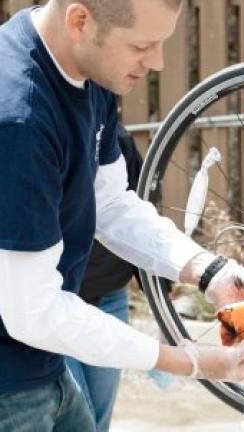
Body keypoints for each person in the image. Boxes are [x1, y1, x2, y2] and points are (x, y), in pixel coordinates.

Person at [0, 0, 244, 430]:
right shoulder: (20, 118)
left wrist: (208, 271)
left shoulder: (89, 69)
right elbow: (32, 311)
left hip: (43, 364)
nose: (158, 62)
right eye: (142, 46)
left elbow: (111, 204)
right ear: (81, 20)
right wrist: (185, 360)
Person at [65, 123, 143, 432]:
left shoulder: (116, 139)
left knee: (98, 419)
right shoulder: (35, 131)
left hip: (109, 298)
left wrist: (161, 300)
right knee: (77, 417)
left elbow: (139, 216)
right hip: (59, 302)